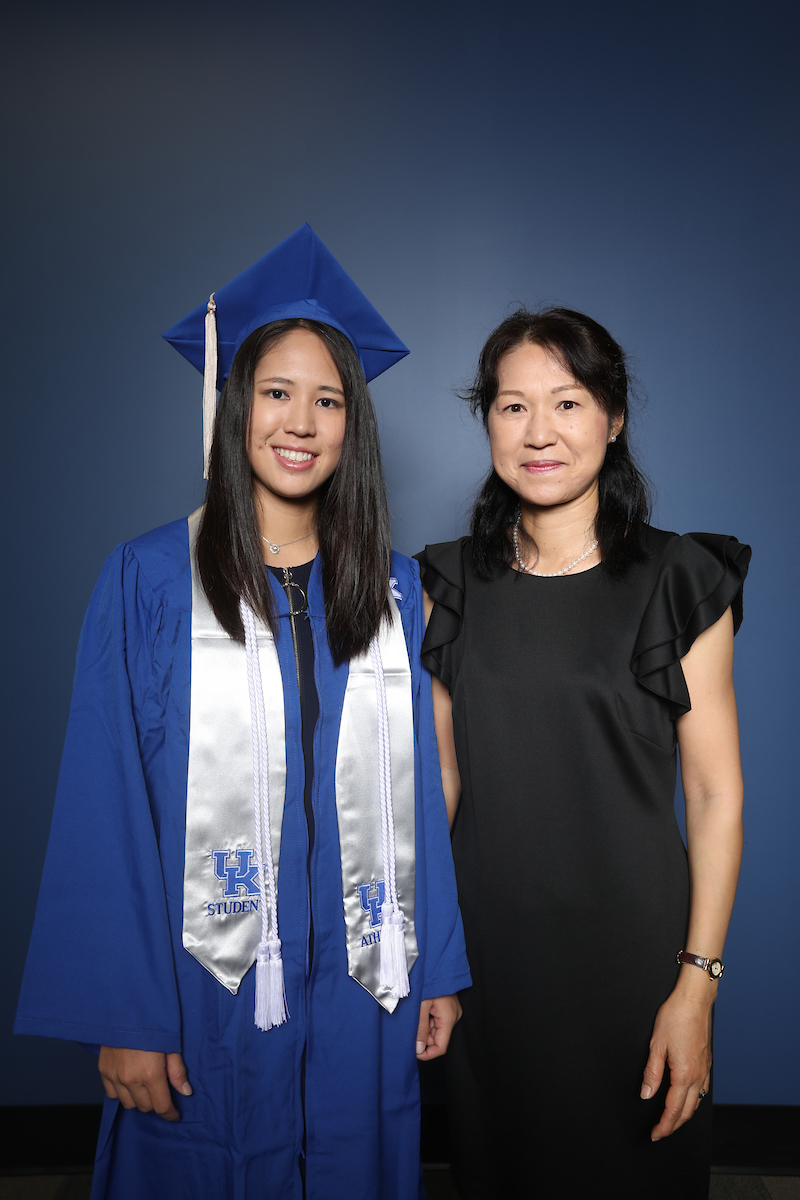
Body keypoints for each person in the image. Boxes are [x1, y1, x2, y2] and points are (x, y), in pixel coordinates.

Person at [16, 224, 470, 1200]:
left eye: (327, 400)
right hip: (199, 985)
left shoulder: (392, 591)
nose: (299, 422)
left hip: (359, 984)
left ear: (353, 426)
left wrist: (434, 964)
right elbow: (107, 803)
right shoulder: (148, 579)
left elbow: (415, 803)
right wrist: (124, 1014)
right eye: (275, 393)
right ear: (235, 406)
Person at [417, 307, 749, 1199]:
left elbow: (716, 795)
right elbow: (437, 780)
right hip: (492, 964)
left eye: (567, 403)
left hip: (636, 963)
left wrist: (697, 988)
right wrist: (426, 957)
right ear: (486, 420)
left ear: (615, 416)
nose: (539, 434)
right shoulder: (441, 585)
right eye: (512, 407)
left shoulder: (681, 579)